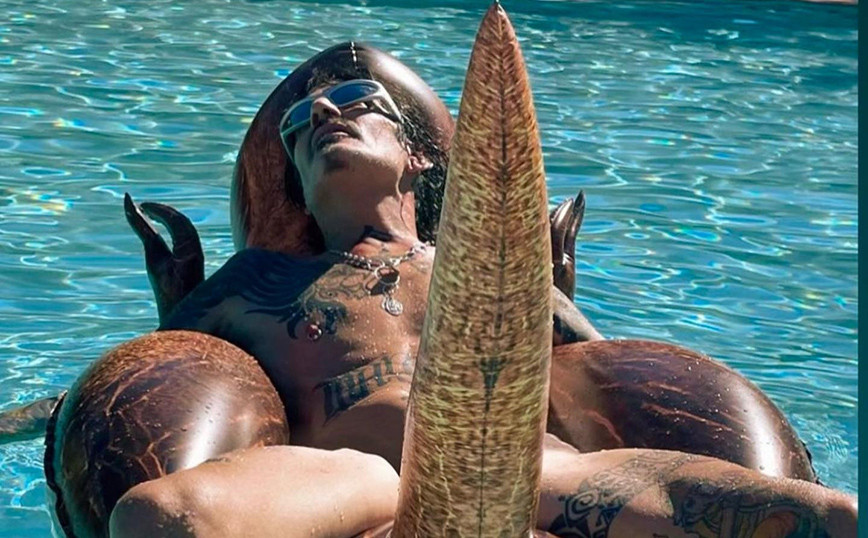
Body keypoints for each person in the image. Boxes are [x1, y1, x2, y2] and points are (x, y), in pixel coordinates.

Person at [106, 45, 857, 537]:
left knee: (831, 518)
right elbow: (167, 383)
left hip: (531, 469)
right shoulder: (256, 281)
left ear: (419, 159)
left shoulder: (492, 273)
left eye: (358, 100)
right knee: (156, 518)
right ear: (298, 183)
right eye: (299, 124)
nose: (325, 113)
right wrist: (172, 314)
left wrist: (552, 292)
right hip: (360, 475)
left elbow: (609, 380)